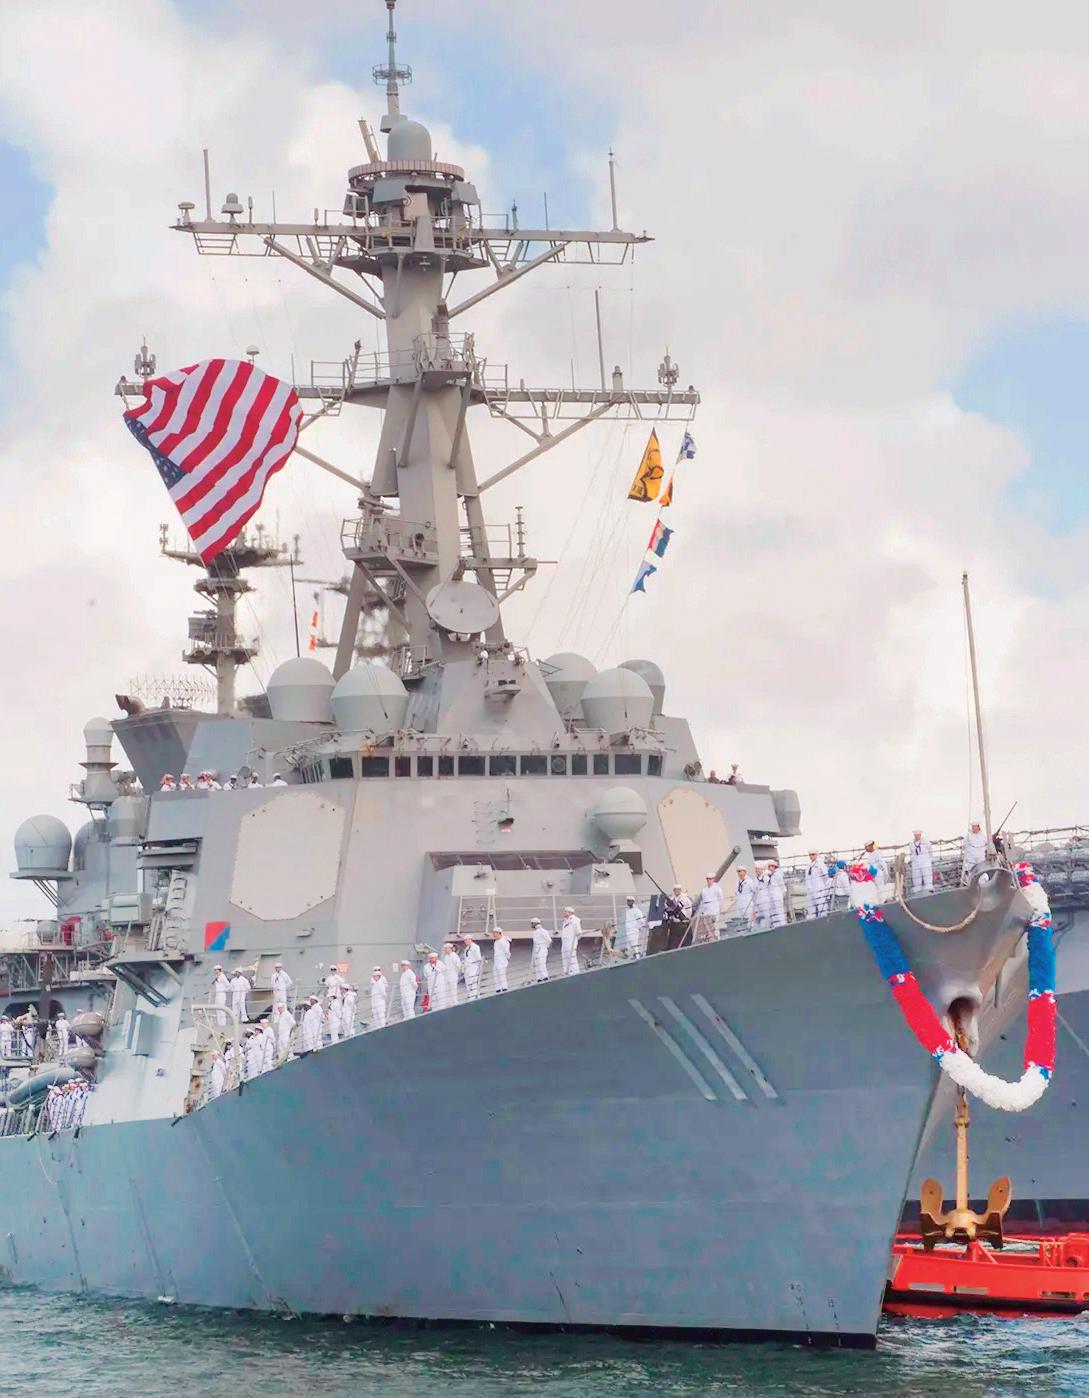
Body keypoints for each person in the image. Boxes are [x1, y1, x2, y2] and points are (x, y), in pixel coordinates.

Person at [662, 884, 693, 950]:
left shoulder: (685, 898)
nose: (676, 891)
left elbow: (686, 910)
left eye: (678, 890)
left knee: (684, 942)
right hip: (675, 924)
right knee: (673, 943)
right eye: (675, 890)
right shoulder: (672, 899)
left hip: (683, 923)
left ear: (680, 890)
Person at [695, 874, 722, 942]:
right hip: (706, 912)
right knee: (707, 928)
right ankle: (710, 939)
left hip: (714, 911)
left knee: (715, 927)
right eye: (707, 879)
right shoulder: (704, 889)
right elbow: (703, 901)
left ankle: (717, 939)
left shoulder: (717, 888)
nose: (709, 880)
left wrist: (719, 910)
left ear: (713, 879)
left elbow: (721, 900)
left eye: (710, 879)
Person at [804, 851, 831, 919]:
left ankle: (822, 920)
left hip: (819, 888)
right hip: (810, 888)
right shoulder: (808, 865)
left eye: (813, 854)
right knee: (810, 908)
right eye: (810, 855)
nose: (811, 856)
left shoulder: (820, 864)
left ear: (816, 855)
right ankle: (811, 921)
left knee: (821, 907)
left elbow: (826, 876)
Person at [559, 907, 582, 976]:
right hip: (565, 942)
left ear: (570, 912)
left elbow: (579, 932)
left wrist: (574, 940)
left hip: (571, 941)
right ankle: (567, 972)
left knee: (571, 957)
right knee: (565, 957)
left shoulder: (575, 920)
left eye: (565, 911)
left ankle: (575, 972)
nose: (564, 913)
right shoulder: (565, 921)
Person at [461, 935, 483, 999]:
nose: (465, 942)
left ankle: (474, 996)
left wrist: (479, 965)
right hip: (467, 967)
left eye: (466, 940)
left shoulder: (475, 947)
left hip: (473, 966)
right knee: (468, 982)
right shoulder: (466, 949)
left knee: (473, 982)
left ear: (470, 940)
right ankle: (471, 995)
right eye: (465, 940)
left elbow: (478, 957)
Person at [767, 860, 787, 928]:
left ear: (774, 866)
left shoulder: (778, 874)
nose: (769, 867)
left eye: (771, 866)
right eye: (769, 866)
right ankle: (776, 924)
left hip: (777, 894)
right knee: (773, 911)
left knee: (779, 910)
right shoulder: (771, 875)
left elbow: (781, 884)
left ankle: (782, 924)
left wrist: (783, 892)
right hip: (771, 894)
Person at [752, 864, 773, 929]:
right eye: (756, 869)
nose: (757, 870)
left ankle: (769, 927)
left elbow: (770, 889)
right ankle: (759, 928)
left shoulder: (766, 878)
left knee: (767, 915)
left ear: (762, 870)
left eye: (758, 869)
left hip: (765, 899)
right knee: (757, 916)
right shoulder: (754, 880)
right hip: (757, 900)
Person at [491, 928, 511, 992]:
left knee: (502, 974)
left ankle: (504, 987)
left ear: (499, 933)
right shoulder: (496, 942)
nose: (494, 935)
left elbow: (507, 951)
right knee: (496, 974)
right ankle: (498, 988)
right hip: (496, 961)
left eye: (495, 933)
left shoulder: (504, 941)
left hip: (502, 961)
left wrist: (507, 959)